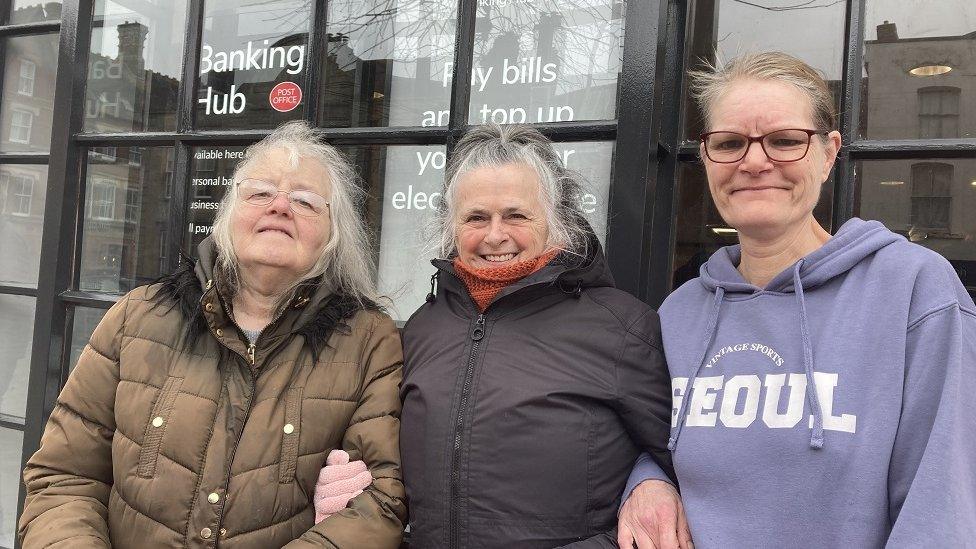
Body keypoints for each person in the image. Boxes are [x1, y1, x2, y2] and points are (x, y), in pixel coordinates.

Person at [619, 51, 976, 548]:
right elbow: (647, 441)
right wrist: (645, 482)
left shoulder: (914, 290)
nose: (755, 161)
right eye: (729, 142)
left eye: (786, 141)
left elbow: (941, 510)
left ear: (829, 154)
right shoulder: (679, 313)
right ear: (706, 157)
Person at [19, 121, 406, 548]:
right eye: (259, 193)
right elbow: (64, 476)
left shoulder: (370, 341)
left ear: (334, 236)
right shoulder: (138, 317)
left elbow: (379, 502)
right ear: (227, 217)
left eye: (305, 201)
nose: (278, 207)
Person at [319, 124, 682, 547]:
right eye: (476, 217)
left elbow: (685, 460)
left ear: (556, 221)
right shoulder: (422, 327)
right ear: (452, 228)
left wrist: (652, 483)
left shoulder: (622, 327)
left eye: (516, 215)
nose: (495, 235)